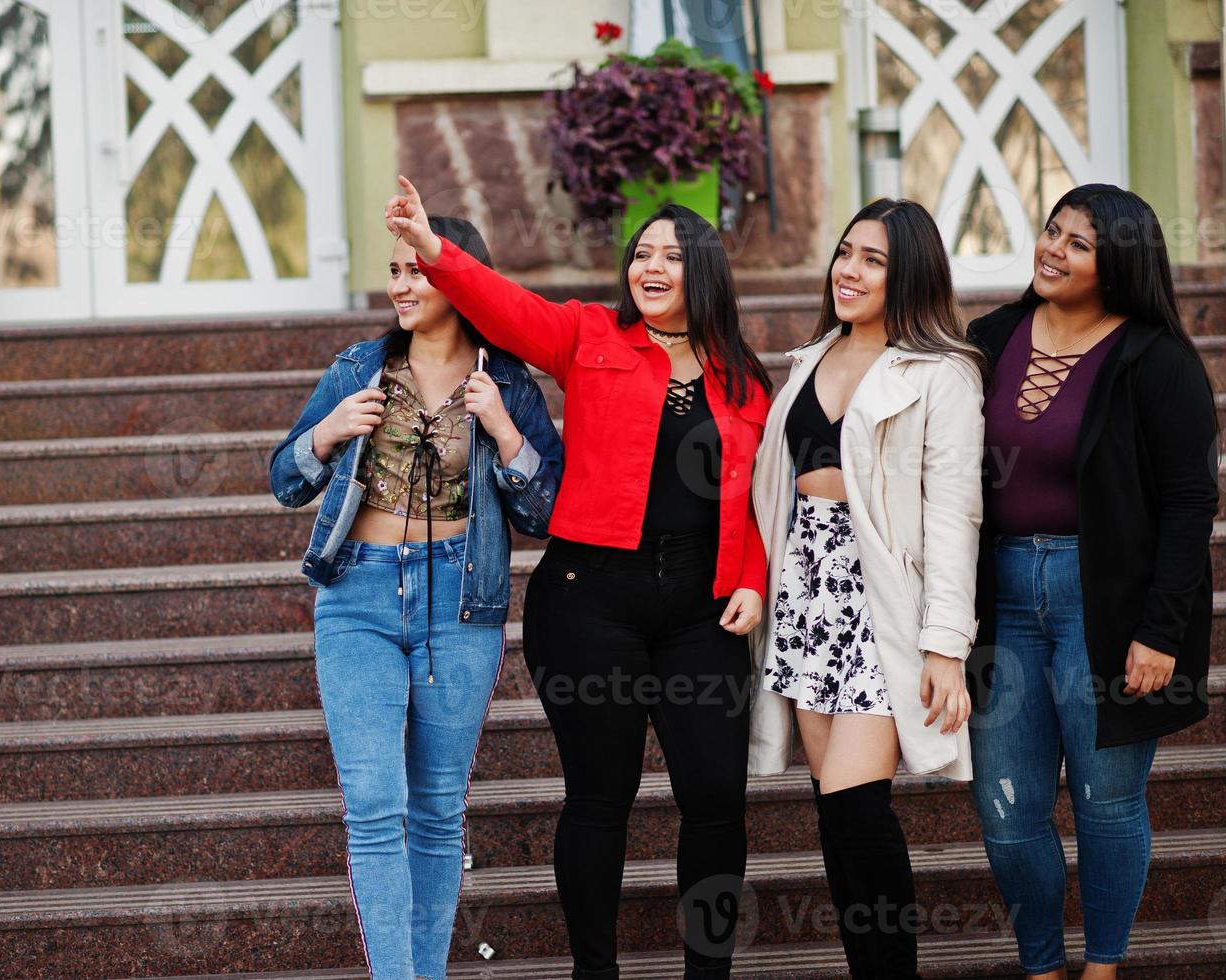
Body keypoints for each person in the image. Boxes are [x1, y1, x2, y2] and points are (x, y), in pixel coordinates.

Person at [386, 175, 772, 980]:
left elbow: (767, 496)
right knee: (601, 798)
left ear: (704, 272)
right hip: (590, 602)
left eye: (670, 254)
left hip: (702, 611)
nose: (650, 266)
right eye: (641, 253)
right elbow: (503, 306)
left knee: (714, 800)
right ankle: (593, 971)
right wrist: (431, 248)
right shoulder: (589, 336)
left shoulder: (744, 378)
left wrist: (751, 577)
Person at [267, 215, 563, 980]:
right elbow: (284, 480)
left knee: (435, 813)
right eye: (394, 270)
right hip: (357, 595)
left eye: (417, 271)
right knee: (373, 806)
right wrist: (328, 431)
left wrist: (504, 435)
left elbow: (544, 513)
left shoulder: (506, 386)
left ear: (461, 277)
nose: (399, 284)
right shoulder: (358, 367)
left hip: (460, 602)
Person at [965, 184, 1219, 980]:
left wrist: (1160, 630)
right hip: (1000, 596)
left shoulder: (1155, 357)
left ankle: (1103, 967)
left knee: (1106, 803)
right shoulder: (989, 337)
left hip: (1104, 600)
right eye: (1052, 231)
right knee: (1008, 812)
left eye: (1078, 243)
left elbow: (1189, 501)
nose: (1052, 248)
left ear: (1118, 265)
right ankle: (1040, 966)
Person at [747, 198, 986, 978]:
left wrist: (944, 645)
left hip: (881, 600)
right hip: (804, 595)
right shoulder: (809, 358)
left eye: (872, 259)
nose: (848, 270)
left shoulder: (942, 374)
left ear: (909, 272)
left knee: (857, 809)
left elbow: (954, 514)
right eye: (845, 252)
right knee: (835, 814)